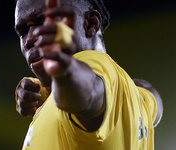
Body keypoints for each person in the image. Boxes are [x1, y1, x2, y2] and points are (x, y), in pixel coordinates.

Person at [14, 0, 163, 149]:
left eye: (43, 22)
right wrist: (49, 92)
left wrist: (64, 72)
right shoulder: (131, 97)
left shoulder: (87, 78)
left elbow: (89, 92)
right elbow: (152, 97)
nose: (28, 40)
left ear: (91, 23)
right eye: (23, 32)